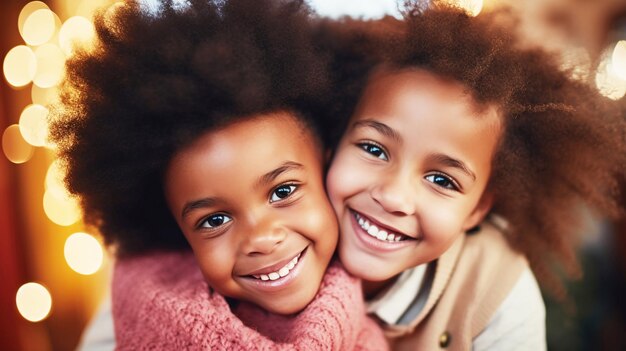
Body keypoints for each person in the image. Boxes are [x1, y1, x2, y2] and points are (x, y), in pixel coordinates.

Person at [49, 0, 387, 349]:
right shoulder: (124, 323)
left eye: (283, 192)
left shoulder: (385, 271)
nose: (261, 237)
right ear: (176, 231)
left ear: (327, 167)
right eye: (215, 220)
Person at [323, 3, 626, 350]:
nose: (393, 196)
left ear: (478, 207)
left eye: (442, 180)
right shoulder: (279, 240)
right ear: (334, 141)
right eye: (374, 150)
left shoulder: (495, 288)